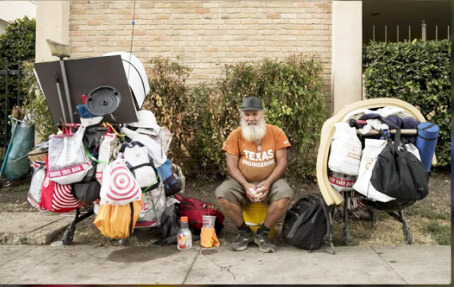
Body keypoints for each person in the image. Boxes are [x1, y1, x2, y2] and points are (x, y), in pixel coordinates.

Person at [215, 96, 294, 253]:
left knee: (285, 194)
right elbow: (231, 166)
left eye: (255, 114)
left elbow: (282, 163)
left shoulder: (276, 132)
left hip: (271, 182)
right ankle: (244, 232)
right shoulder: (235, 135)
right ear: (242, 115)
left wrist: (268, 182)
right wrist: (246, 185)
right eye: (247, 114)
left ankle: (263, 233)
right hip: (242, 182)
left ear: (262, 114)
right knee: (222, 193)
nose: (251, 118)